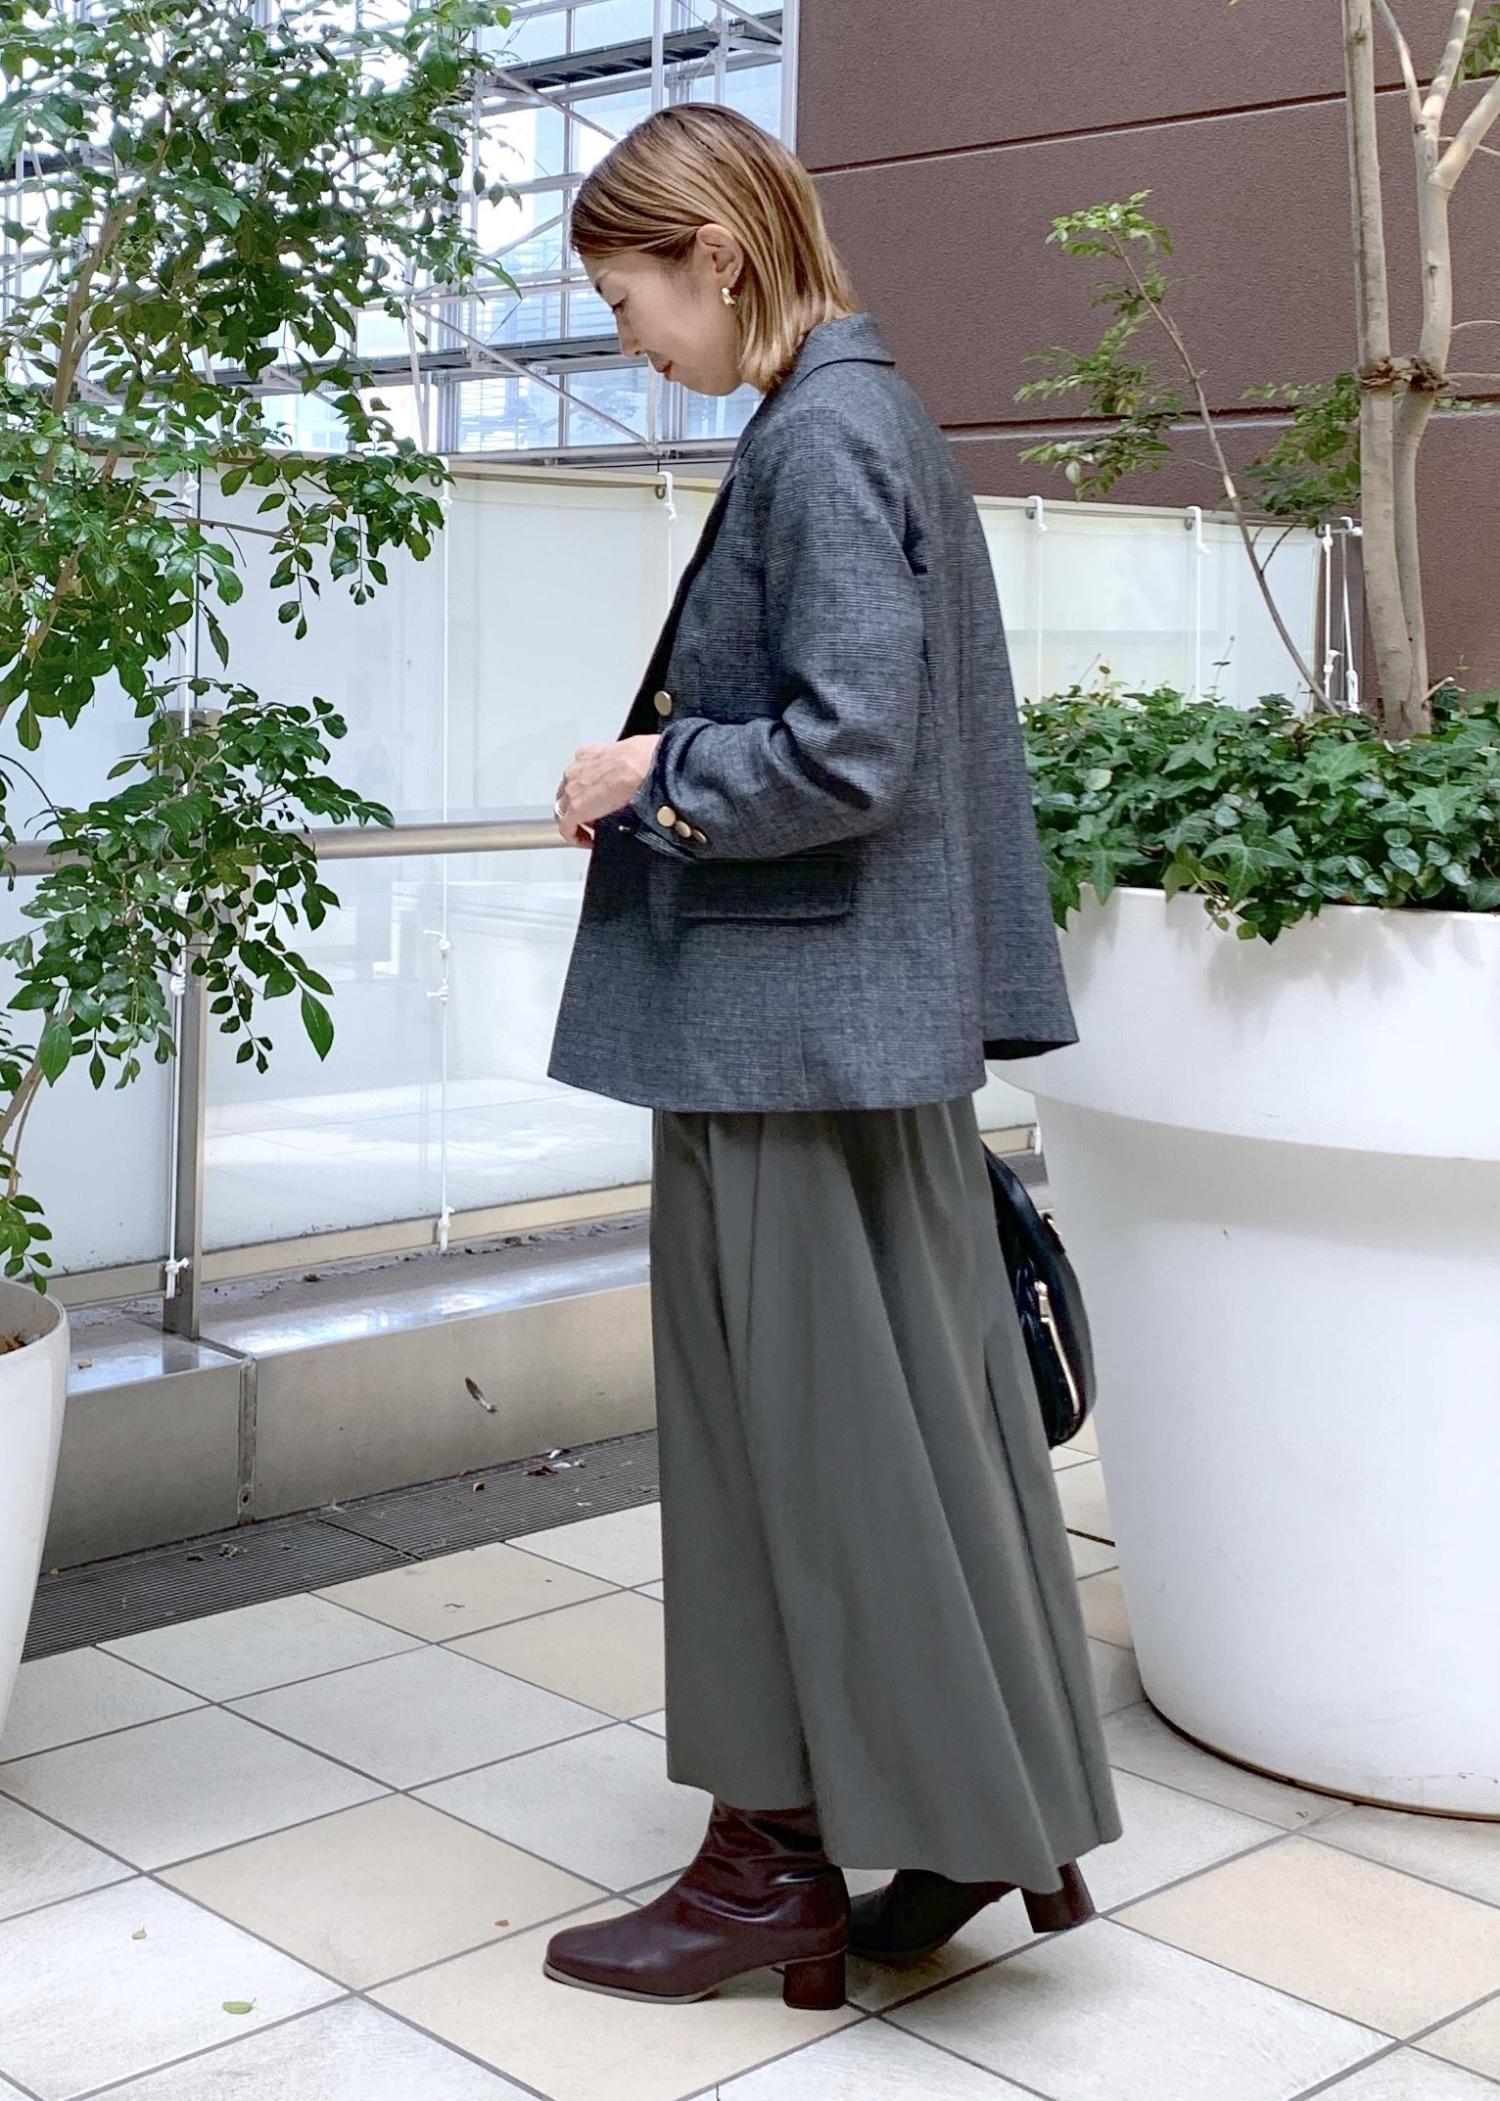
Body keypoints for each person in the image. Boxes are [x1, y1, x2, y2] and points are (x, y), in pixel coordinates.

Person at [543, 104, 1121, 2011]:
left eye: (629, 296)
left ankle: (768, 1866)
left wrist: (652, 772)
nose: (631, 339)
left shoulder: (822, 436)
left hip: (789, 1046)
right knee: (898, 1441)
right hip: (845, 1038)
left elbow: (851, 748)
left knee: (777, 1453)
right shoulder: (866, 420)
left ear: (716, 254)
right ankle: (965, 1807)